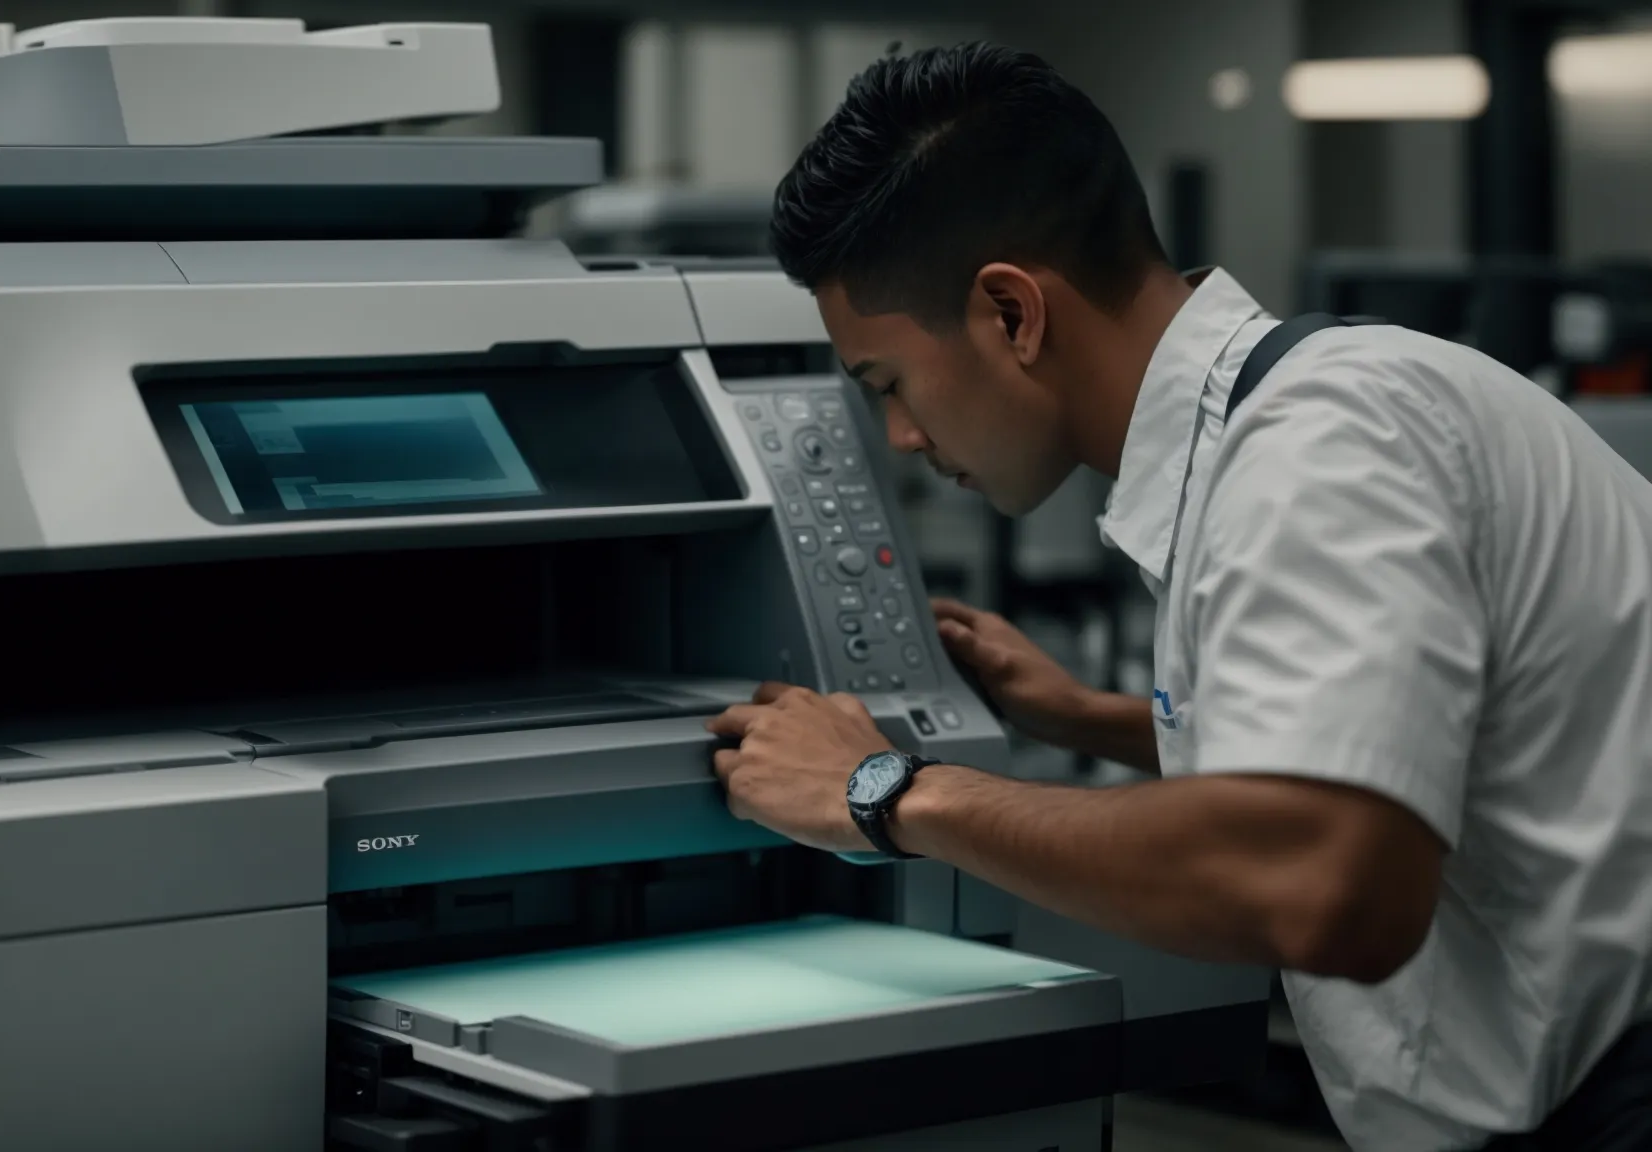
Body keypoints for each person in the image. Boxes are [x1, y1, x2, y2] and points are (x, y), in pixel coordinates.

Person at [706, 41, 1652, 1152]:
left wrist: (884, 792)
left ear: (1011, 313)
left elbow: (1320, 877)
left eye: (888, 385)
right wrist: (1081, 718)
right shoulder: (1302, 414)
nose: (903, 439)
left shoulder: (1317, 450)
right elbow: (1392, 751)